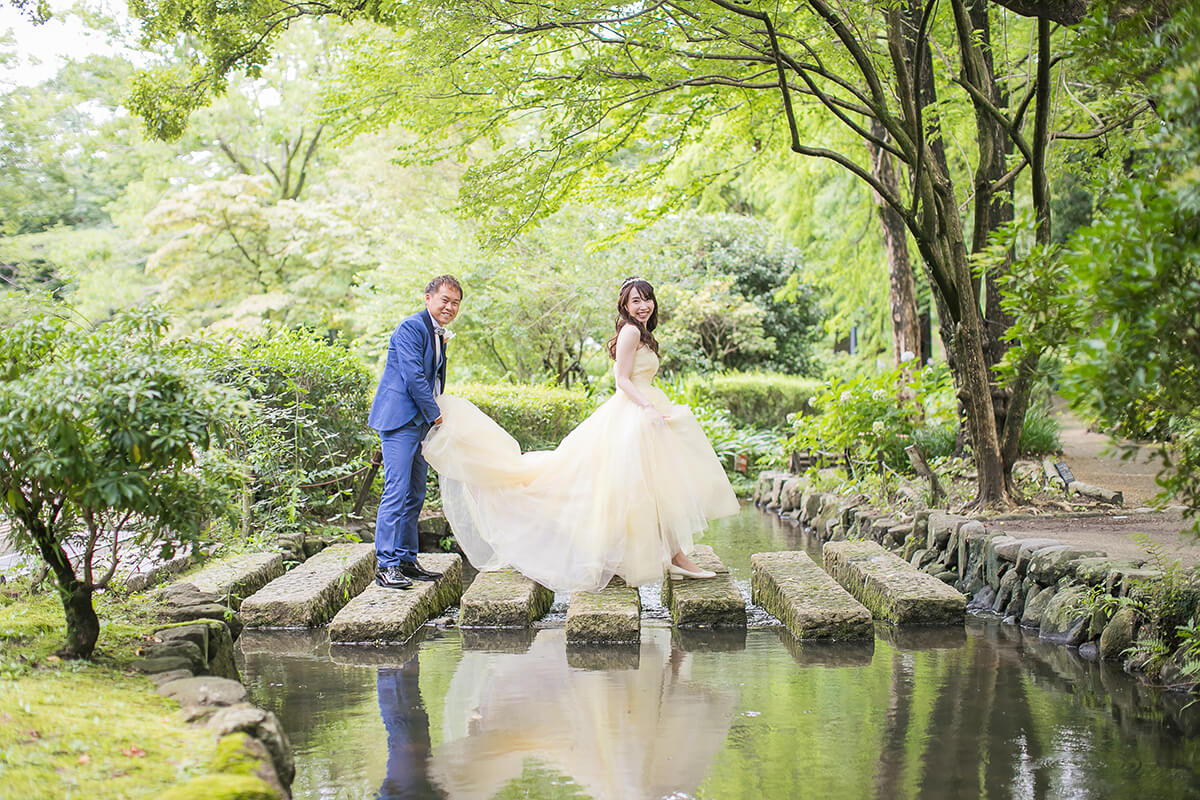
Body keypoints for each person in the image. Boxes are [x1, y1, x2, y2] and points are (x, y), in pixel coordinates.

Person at [421, 276, 739, 593]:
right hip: (634, 413)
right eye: (635, 301)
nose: (643, 306)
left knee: (650, 490)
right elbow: (622, 381)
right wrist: (648, 408)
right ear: (625, 307)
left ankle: (671, 555)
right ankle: (672, 556)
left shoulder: (644, 334)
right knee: (616, 488)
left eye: (647, 299)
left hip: (645, 410)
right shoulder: (629, 332)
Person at [368, 275, 462, 589]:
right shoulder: (411, 327)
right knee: (396, 490)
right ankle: (386, 565)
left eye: (455, 303)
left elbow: (434, 379)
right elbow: (412, 377)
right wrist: (436, 415)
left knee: (416, 493)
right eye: (445, 300)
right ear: (428, 298)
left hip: (421, 421)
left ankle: (407, 560)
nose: (450, 307)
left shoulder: (439, 334)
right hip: (400, 420)